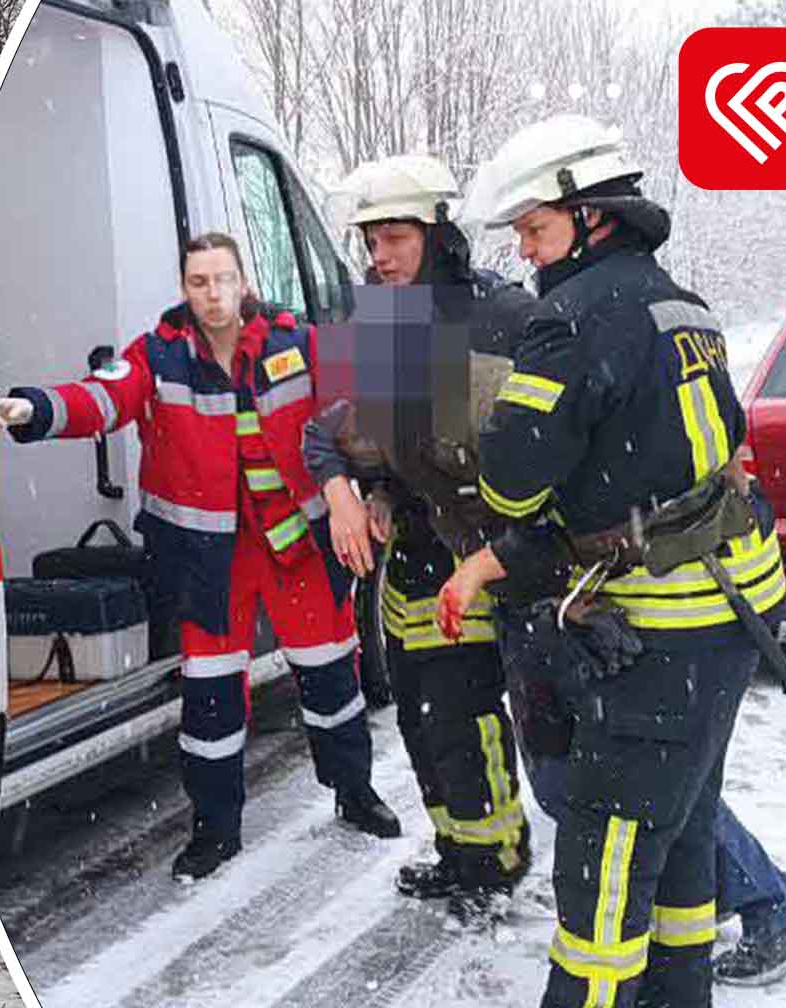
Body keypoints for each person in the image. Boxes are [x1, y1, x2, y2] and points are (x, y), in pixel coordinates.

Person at [437, 113, 786, 1006]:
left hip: (656, 631)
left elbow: (514, 484)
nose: (526, 254)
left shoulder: (567, 319)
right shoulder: (682, 303)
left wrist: (503, 447)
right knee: (677, 850)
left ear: (592, 217)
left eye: (536, 230)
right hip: (727, 622)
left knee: (602, 876)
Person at [0, 232, 400, 881]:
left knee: (331, 676)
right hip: (209, 560)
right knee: (210, 700)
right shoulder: (157, 355)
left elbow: (371, 407)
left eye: (223, 280)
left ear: (243, 283)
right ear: (185, 289)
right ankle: (215, 829)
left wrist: (378, 487)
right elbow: (104, 398)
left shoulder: (297, 342)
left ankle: (354, 791)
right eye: (199, 282)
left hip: (294, 544)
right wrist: (35, 409)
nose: (213, 293)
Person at [305, 155, 539, 924]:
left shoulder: (497, 316)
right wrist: (364, 489)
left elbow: (520, 446)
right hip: (410, 551)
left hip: (476, 555)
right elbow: (370, 438)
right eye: (371, 239)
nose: (380, 254)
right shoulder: (391, 323)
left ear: (436, 233)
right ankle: (456, 846)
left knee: (463, 709)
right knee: (417, 712)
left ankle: (497, 856)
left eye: (395, 236)